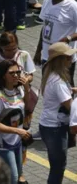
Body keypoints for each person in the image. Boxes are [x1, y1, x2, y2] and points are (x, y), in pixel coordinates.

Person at [0, 59, 30, 184]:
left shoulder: (18, 89)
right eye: (12, 73)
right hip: (2, 144)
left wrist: (26, 87)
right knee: (12, 178)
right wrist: (17, 130)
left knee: (17, 174)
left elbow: (27, 105)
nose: (16, 75)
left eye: (18, 72)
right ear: (3, 75)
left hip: (16, 141)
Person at [39, 42, 75, 184]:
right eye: (68, 57)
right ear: (60, 60)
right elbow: (71, 107)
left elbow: (65, 92)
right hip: (55, 128)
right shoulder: (58, 82)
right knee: (58, 167)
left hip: (50, 125)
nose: (71, 60)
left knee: (57, 165)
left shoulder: (52, 75)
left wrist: (73, 90)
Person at [37, 0, 77, 71]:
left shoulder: (72, 6)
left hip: (63, 59)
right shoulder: (46, 0)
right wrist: (38, 51)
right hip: (46, 56)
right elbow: (45, 27)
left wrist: (68, 38)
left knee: (65, 86)